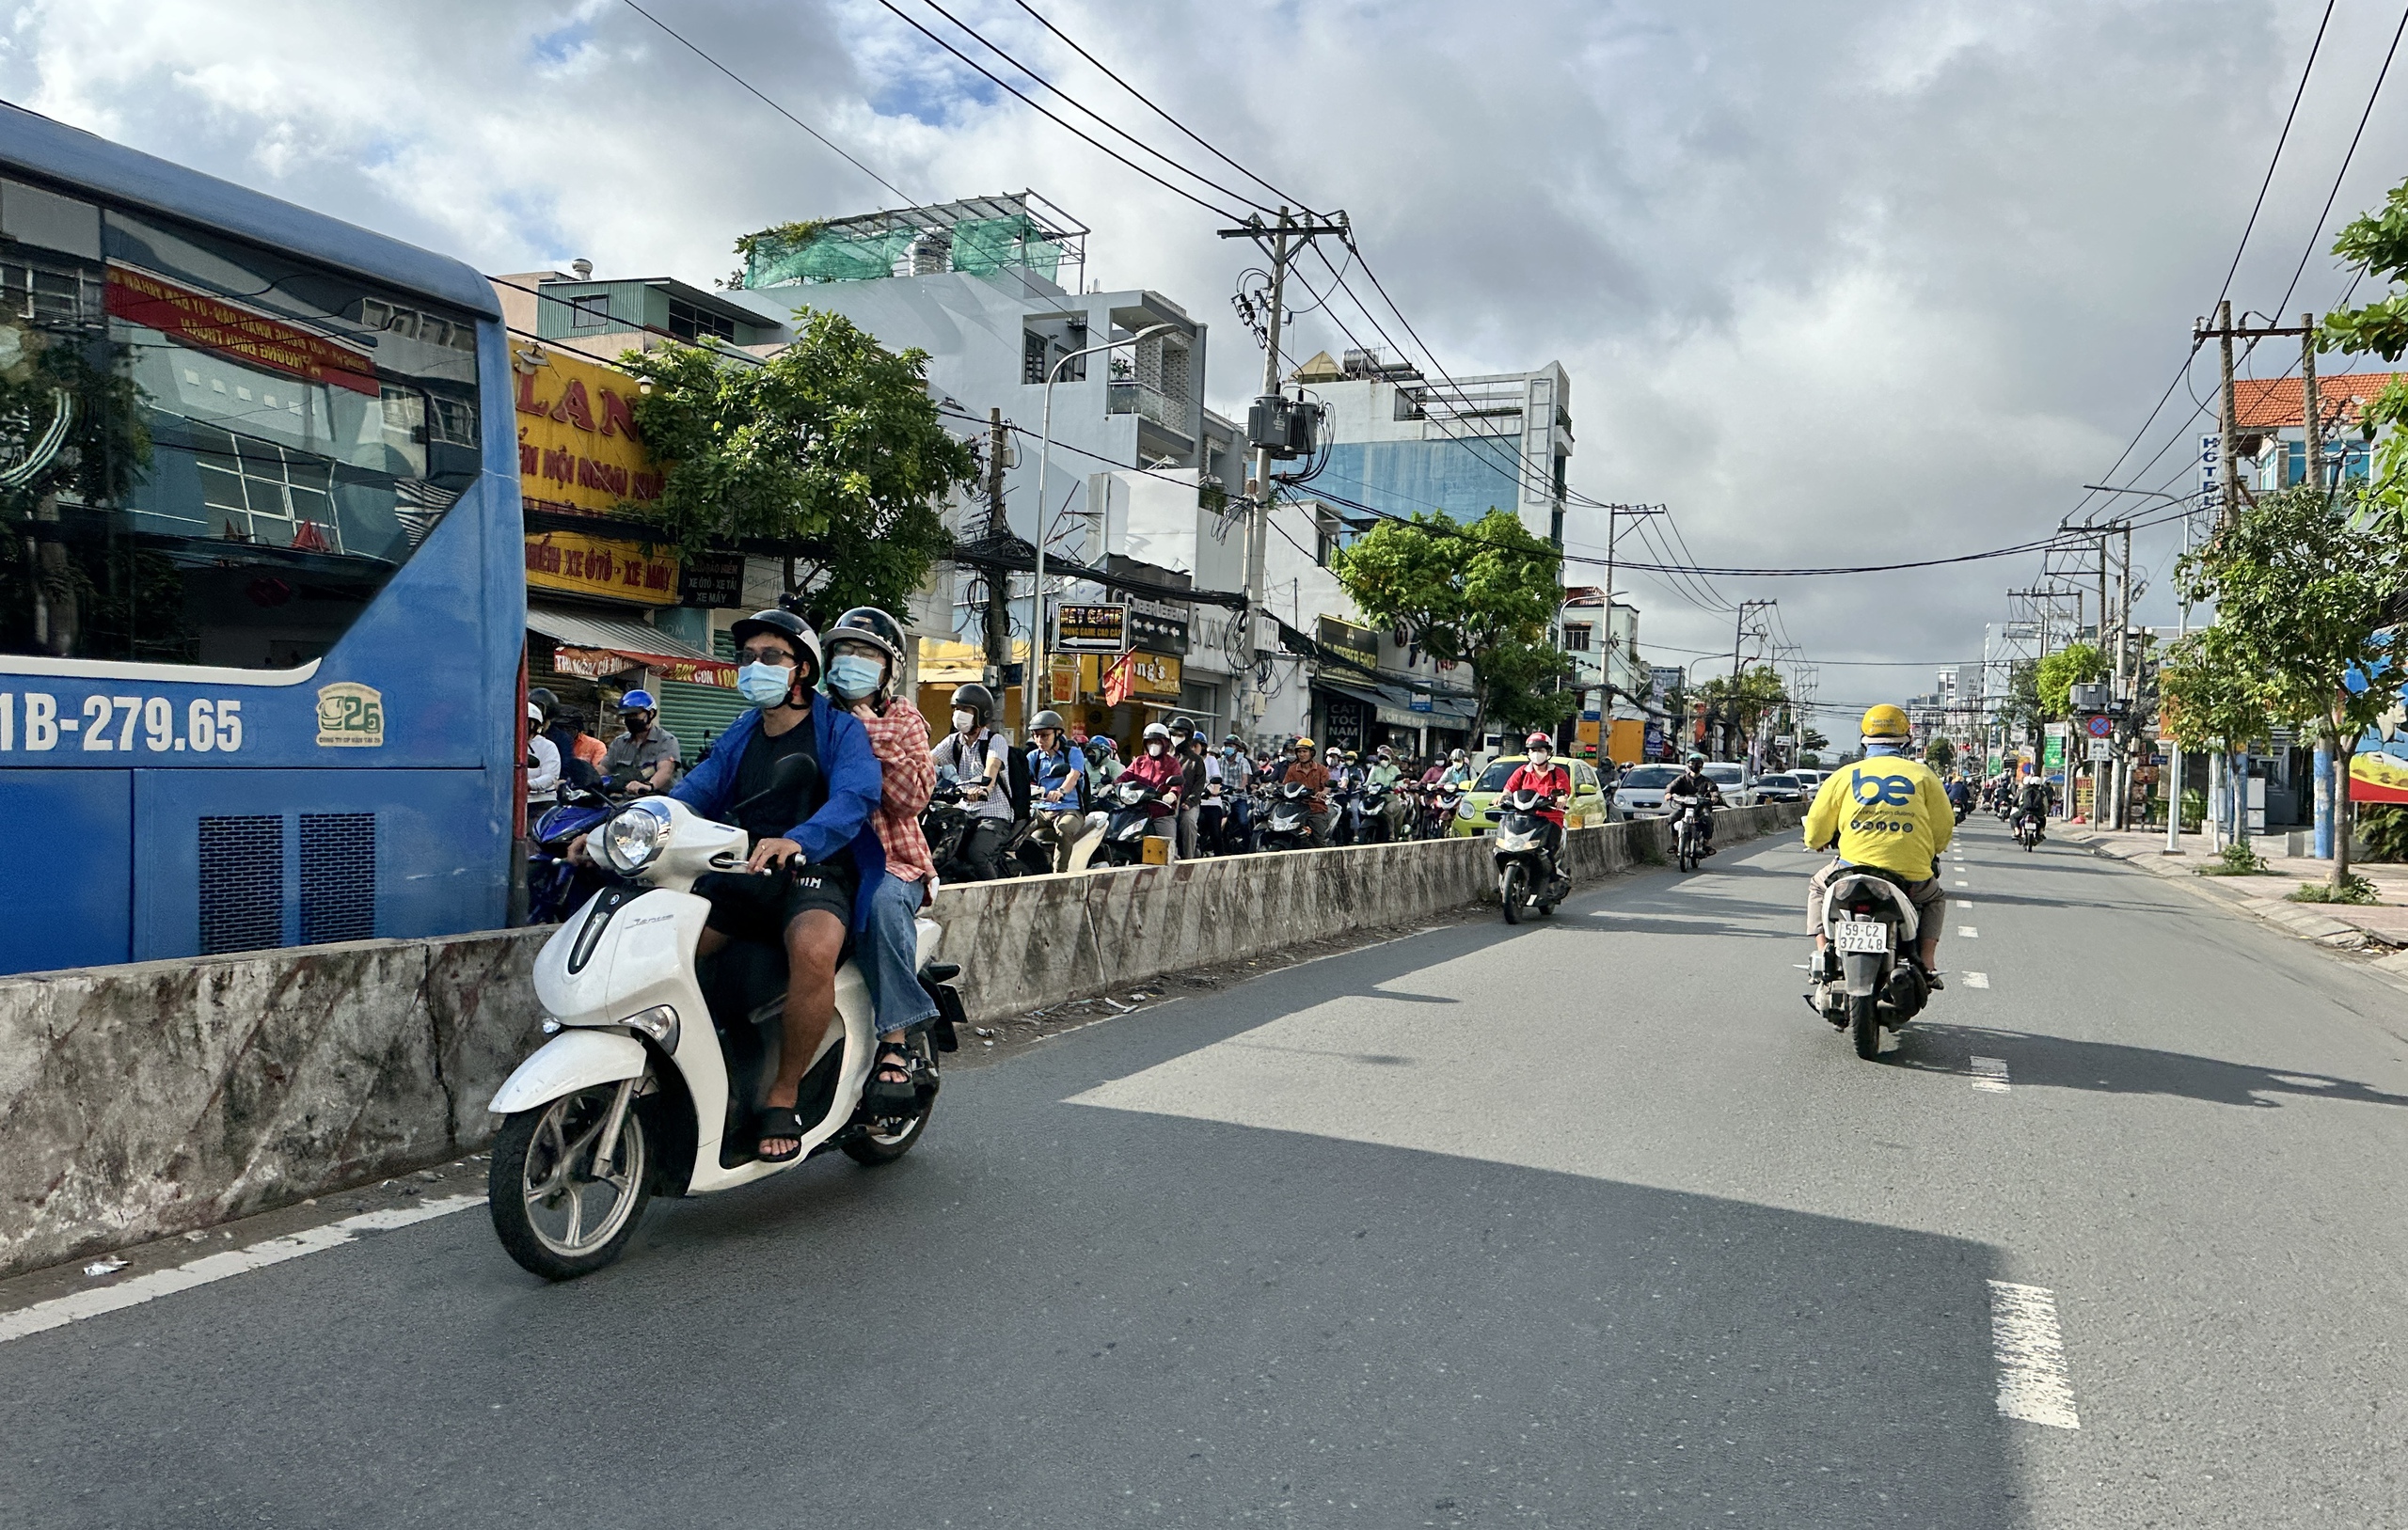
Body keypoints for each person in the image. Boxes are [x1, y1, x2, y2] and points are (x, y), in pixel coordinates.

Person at [572, 607, 882, 1162]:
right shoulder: (742, 731)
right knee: (662, 948)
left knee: (812, 951)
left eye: (770, 657)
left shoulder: (840, 728)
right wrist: (607, 831)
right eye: (746, 658)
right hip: (742, 871)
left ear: (802, 671)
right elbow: (690, 794)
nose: (753, 667)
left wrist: (800, 838)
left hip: (815, 869)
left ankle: (783, 1093)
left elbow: (855, 798)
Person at [822, 606, 937, 1113]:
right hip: (824, 858)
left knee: (884, 907)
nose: (852, 663)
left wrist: (869, 734)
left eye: (866, 654)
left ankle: (896, 1039)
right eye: (844, 652)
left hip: (894, 861)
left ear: (889, 669)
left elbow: (911, 798)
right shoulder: (812, 715)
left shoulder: (905, 719)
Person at [1802, 703, 1954, 988]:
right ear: (1906, 740)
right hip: (1910, 876)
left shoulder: (1845, 775)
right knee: (1934, 898)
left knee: (1817, 886)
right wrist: (1930, 849)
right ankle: (1927, 961)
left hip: (1851, 871)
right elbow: (1943, 831)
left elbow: (1814, 832)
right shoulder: (1924, 776)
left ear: (1864, 741)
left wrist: (1818, 842)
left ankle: (1822, 952)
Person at [928, 683, 1016, 879]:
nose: (959, 714)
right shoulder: (953, 742)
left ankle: (996, 899)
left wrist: (983, 788)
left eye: (966, 710)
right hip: (964, 813)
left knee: (977, 855)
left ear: (981, 713)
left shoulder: (994, 741)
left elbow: (992, 768)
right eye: (957, 709)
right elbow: (927, 760)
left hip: (993, 815)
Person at [1024, 709, 1093, 873]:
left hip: (1069, 809)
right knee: (1016, 828)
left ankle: (1059, 874)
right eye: (1036, 735)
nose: (1039, 740)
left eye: (1044, 735)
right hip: (1040, 809)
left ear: (1057, 733)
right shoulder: (1033, 757)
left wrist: (1060, 791)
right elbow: (1021, 780)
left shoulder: (1073, 753)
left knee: (1065, 828)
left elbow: (1073, 776)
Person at [1501, 730, 1572, 883]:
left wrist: (1561, 797)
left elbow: (1563, 791)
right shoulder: (1522, 772)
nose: (1536, 753)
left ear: (1548, 753)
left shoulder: (1557, 773)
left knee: (1550, 846)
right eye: (1533, 750)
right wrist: (1501, 796)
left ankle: (1552, 875)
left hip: (1550, 818)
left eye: (1540, 750)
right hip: (1525, 818)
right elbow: (1508, 788)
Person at [1118, 719, 1185, 861]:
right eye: (1150, 742)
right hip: (1136, 812)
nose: (1153, 745)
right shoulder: (1139, 762)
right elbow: (1125, 777)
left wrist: (1171, 795)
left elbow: (1177, 783)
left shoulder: (1172, 763)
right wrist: (1112, 785)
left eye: (1157, 742)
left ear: (1165, 743)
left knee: (1167, 852)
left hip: (1161, 813)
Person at [602, 688, 681, 796]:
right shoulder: (619, 742)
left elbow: (665, 770)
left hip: (659, 800)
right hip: (626, 800)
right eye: (627, 716)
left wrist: (649, 786)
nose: (630, 719)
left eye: (635, 715)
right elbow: (604, 767)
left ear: (651, 713)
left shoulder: (667, 740)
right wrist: (587, 776)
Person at [1663, 751, 1725, 855]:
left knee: (1707, 819)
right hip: (1684, 807)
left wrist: (1714, 796)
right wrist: (1668, 793)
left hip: (1701, 807)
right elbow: (1671, 786)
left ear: (1701, 766)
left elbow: (1713, 789)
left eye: (1697, 763)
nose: (1694, 766)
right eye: (1692, 763)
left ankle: (1706, 844)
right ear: (1688, 765)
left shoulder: (1706, 780)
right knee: (1671, 819)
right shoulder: (1682, 779)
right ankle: (1675, 843)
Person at [1281, 737, 1334, 844]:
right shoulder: (1292, 770)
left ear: (1311, 753)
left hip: (1315, 808)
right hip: (1296, 809)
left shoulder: (1321, 769)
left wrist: (1323, 793)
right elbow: (1285, 786)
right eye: (1299, 752)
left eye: (1305, 751)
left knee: (1319, 841)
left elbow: (1328, 785)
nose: (1302, 754)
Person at [525, 701, 562, 814]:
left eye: (526, 722)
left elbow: (550, 776)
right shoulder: (507, 745)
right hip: (511, 801)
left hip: (541, 802)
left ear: (534, 725)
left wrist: (528, 784)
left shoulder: (548, 746)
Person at [2016, 771, 2052, 842]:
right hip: (2038, 812)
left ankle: (2018, 831)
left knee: (2015, 817)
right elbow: (2045, 804)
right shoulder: (2042, 793)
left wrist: (2020, 808)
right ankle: (2040, 833)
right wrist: (2045, 811)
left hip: (2025, 811)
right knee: (2043, 820)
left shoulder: (2025, 791)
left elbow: (2020, 801)